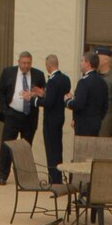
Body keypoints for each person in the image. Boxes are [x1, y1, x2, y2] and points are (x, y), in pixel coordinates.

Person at [0, 51, 44, 184]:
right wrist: (5, 110)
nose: (26, 66)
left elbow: (43, 95)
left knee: (25, 148)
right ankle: (2, 175)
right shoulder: (8, 72)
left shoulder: (38, 75)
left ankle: (23, 177)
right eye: (24, 63)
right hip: (12, 114)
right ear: (19, 62)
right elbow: (0, 92)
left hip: (29, 116)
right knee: (7, 145)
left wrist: (38, 94)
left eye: (28, 63)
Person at [41, 54, 70, 184]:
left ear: (49, 66)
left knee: (51, 150)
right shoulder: (65, 79)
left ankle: (54, 179)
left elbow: (49, 102)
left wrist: (35, 100)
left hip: (50, 119)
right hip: (60, 117)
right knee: (58, 148)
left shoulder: (52, 81)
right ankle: (57, 176)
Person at [70, 51, 108, 138]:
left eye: (82, 61)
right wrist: (97, 118)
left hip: (83, 124)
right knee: (93, 150)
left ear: (88, 64)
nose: (80, 63)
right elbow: (105, 105)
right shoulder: (102, 82)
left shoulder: (84, 82)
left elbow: (78, 104)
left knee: (82, 150)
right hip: (96, 123)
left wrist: (67, 101)